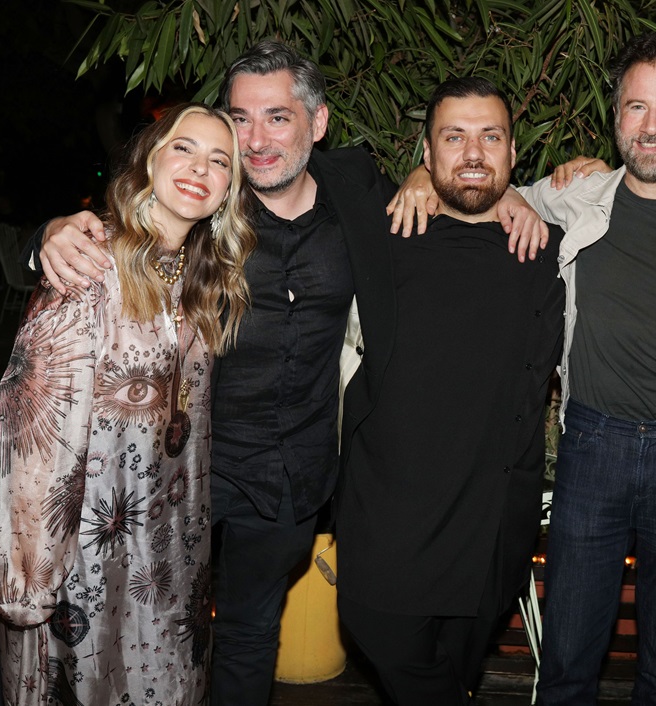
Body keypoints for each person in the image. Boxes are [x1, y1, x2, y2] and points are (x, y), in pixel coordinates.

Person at [33, 41, 547, 706]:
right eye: (240, 119)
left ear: (318, 122)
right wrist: (50, 233)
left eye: (277, 117)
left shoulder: (357, 190)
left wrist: (514, 197)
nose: (255, 140)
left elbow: (462, 182)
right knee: (143, 632)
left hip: (289, 478)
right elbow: (126, 227)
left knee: (249, 635)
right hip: (177, 468)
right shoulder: (208, 198)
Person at [390, 30, 656, 704]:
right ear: (615, 115)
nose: (651, 127)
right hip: (592, 446)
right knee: (566, 661)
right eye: (636, 106)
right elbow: (481, 185)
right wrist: (419, 175)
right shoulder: (575, 197)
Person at [0, 102, 254, 706]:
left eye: (220, 160)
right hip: (85, 553)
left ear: (229, 189)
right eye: (183, 148)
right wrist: (30, 578)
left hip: (173, 548)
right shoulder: (91, 267)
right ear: (150, 160)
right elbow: (32, 432)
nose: (200, 168)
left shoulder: (204, 279)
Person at [334, 76, 565, 706]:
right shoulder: (385, 234)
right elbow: (323, 164)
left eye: (490, 137)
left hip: (491, 517)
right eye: (453, 137)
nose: (473, 153)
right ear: (427, 151)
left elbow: (619, 187)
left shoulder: (549, 249)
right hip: (388, 508)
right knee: (376, 625)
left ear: (513, 151)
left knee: (455, 670)